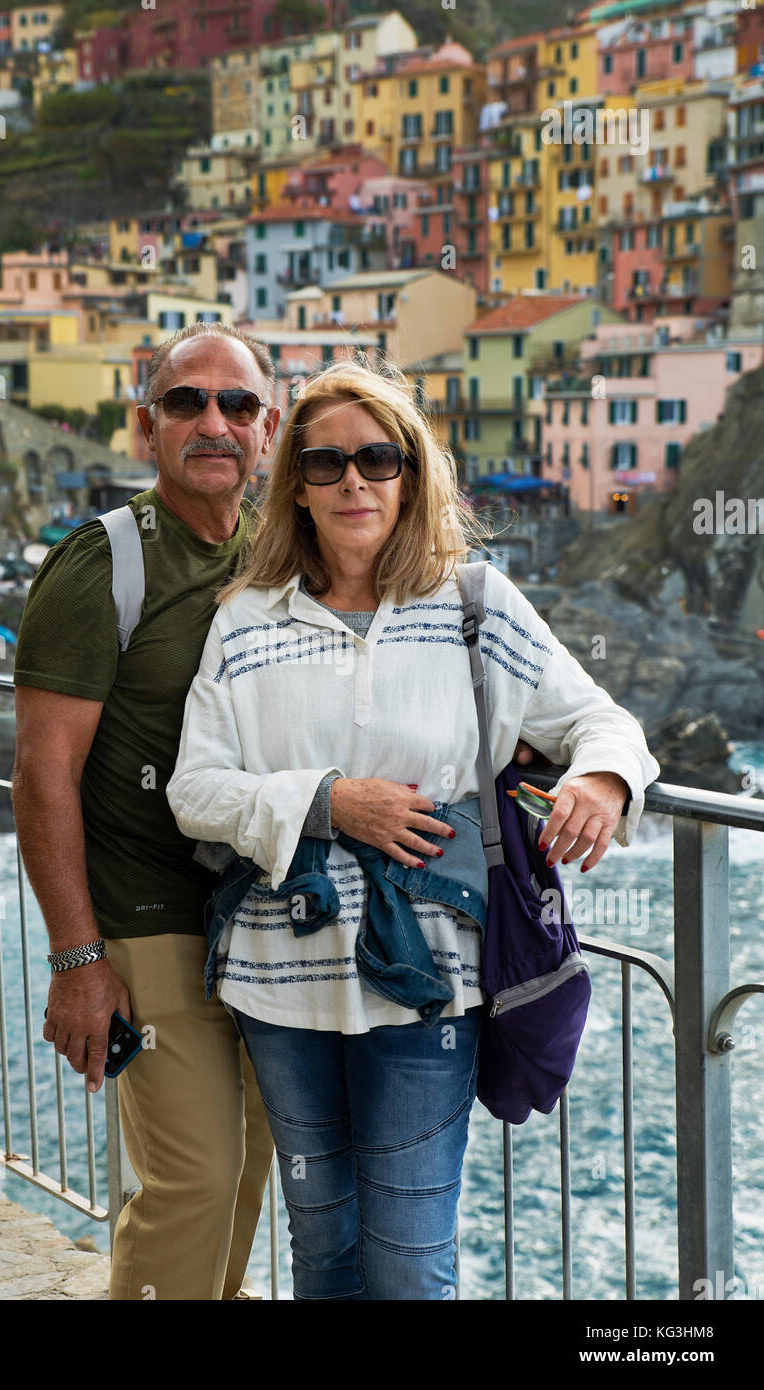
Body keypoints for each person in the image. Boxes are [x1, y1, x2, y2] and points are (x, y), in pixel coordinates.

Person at [165, 358, 661, 1301]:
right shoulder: (243, 623)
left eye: (378, 459)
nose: (354, 480)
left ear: (410, 473)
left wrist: (599, 778)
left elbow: (601, 722)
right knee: (323, 1250)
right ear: (297, 488)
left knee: (408, 1255)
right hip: (280, 983)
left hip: (428, 987)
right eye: (325, 464)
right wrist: (328, 800)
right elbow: (196, 791)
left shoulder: (475, 605)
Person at [11, 323, 282, 1300]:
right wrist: (78, 961)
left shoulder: (272, 555)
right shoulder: (103, 564)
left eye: (237, 404)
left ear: (267, 429)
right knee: (194, 1177)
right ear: (145, 429)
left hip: (256, 922)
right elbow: (43, 773)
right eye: (186, 402)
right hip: (146, 923)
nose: (213, 421)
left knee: (247, 1166)